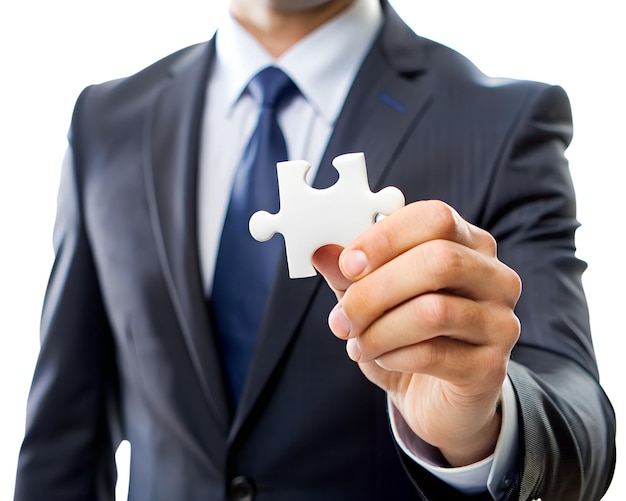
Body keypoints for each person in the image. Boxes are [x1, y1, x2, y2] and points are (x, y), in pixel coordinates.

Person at [14, 0, 616, 499]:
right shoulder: (107, 121)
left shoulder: (503, 122)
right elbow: (64, 436)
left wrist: (482, 424)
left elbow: (579, 425)